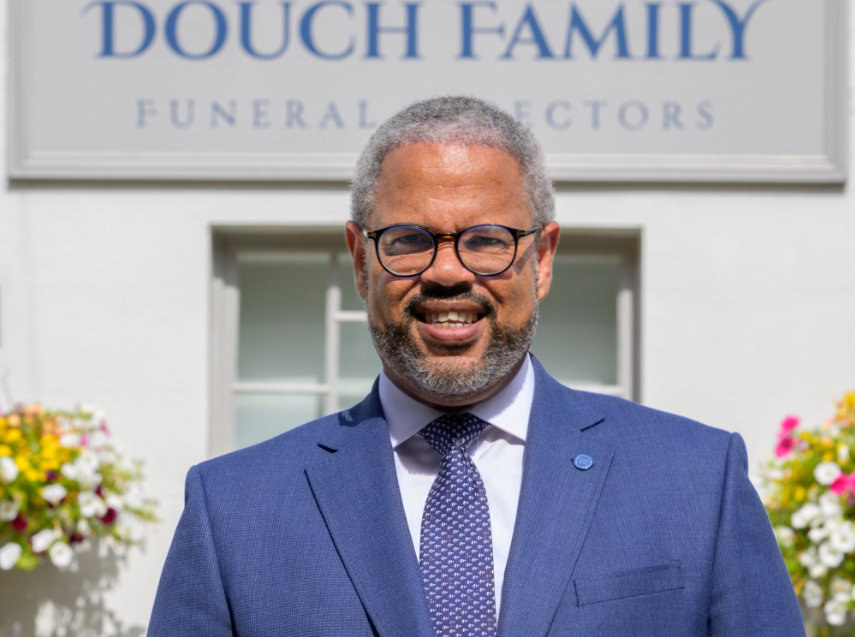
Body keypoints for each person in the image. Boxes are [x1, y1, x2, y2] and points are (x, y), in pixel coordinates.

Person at [149, 96, 805, 636]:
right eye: (408, 240)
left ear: (542, 259)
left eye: (487, 240)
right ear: (360, 261)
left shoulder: (696, 482)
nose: (446, 272)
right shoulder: (232, 510)